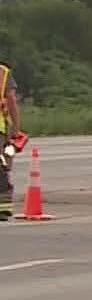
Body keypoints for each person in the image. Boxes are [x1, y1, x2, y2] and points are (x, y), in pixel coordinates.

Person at [0, 61, 21, 221]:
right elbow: (11, 98)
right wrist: (16, 127)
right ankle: (3, 209)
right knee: (2, 167)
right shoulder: (3, 72)